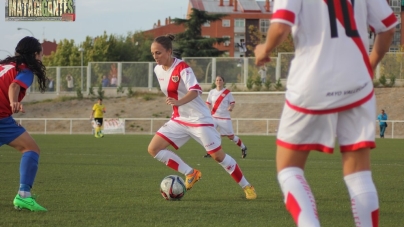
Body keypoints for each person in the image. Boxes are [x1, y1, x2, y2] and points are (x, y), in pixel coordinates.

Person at [254, 1, 396, 226]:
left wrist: (265, 49)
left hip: (311, 85)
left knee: (289, 168)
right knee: (359, 175)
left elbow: (281, 27)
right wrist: (367, 68)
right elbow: (388, 28)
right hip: (357, 84)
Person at [148, 34, 256, 199]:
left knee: (218, 156)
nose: (155, 57)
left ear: (169, 51)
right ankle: (191, 173)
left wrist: (178, 101)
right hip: (179, 119)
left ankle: (247, 186)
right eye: (153, 53)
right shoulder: (157, 69)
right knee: (153, 149)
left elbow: (196, 90)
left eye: (158, 53)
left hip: (199, 119)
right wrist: (177, 104)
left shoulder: (183, 68)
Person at [0, 36, 48, 211]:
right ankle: (24, 196)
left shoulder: (5, 65)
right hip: (1, 118)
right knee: (31, 149)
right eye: (41, 54)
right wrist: (14, 101)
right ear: (35, 54)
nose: (42, 58)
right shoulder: (25, 70)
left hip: (3, 118)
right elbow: (14, 86)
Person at [204, 76, 248, 159]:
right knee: (209, 133)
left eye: (220, 80)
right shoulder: (212, 92)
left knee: (231, 137)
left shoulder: (227, 92)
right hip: (213, 117)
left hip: (224, 118)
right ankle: (210, 152)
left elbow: (232, 103)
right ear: (215, 82)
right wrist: (207, 111)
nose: (218, 81)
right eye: (217, 80)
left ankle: (243, 147)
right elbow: (208, 103)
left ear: (223, 82)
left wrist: (231, 107)